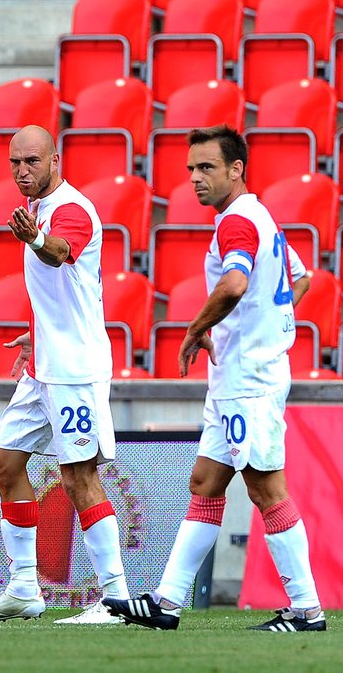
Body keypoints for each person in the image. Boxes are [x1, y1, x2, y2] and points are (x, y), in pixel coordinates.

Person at [104, 125, 325, 633]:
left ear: (236, 169)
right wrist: (259, 328)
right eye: (190, 169)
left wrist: (196, 330)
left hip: (249, 382)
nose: (195, 179)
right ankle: (168, 601)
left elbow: (236, 282)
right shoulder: (259, 216)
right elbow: (300, 277)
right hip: (235, 379)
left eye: (206, 168)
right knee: (205, 483)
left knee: (267, 491)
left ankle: (307, 610)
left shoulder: (237, 222)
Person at [0, 124, 130, 626]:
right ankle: (22, 588)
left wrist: (35, 236)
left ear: (54, 160)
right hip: (45, 367)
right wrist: (36, 336)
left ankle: (116, 598)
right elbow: (68, 292)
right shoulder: (38, 210)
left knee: (79, 476)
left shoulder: (69, 210)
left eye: (32, 161)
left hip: (75, 371)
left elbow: (59, 254)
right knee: (5, 463)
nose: (22, 171)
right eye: (15, 163)